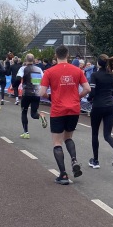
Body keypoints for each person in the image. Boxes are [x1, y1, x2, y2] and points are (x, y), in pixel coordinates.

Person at [40, 45, 91, 184]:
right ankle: (74, 160)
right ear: (68, 55)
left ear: (56, 55)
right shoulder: (77, 70)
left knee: (57, 142)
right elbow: (87, 88)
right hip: (74, 109)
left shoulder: (49, 72)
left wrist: (50, 97)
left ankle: (63, 175)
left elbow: (41, 92)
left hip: (58, 110)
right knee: (68, 137)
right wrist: (78, 97)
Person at [87, 54, 113, 169]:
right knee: (107, 135)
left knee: (95, 133)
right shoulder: (112, 76)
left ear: (98, 64)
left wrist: (89, 99)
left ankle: (96, 161)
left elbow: (92, 92)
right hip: (110, 106)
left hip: (98, 106)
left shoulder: (95, 75)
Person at [18, 53, 47, 138]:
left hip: (26, 93)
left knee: (24, 112)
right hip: (36, 94)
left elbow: (18, 78)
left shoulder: (23, 68)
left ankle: (26, 133)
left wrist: (15, 85)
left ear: (25, 60)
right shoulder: (39, 69)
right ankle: (40, 116)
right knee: (33, 114)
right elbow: (44, 79)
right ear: (34, 60)